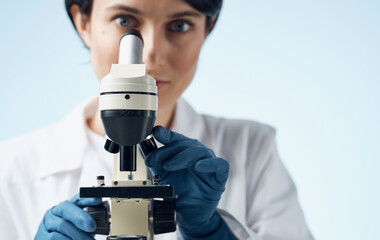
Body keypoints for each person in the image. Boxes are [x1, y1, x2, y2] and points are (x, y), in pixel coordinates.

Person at [0, 0, 314, 239]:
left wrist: (210, 232)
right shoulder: (10, 170)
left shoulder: (252, 148)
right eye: (125, 21)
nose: (152, 54)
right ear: (83, 22)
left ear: (208, 28)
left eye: (179, 26)